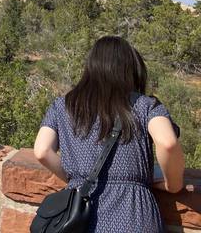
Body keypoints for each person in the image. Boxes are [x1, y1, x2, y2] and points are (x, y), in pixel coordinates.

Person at [33, 36, 185, 232]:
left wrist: (77, 179)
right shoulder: (146, 105)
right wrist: (174, 185)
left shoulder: (63, 105)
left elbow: (41, 150)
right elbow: (167, 143)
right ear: (131, 68)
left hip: (79, 214)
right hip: (133, 214)